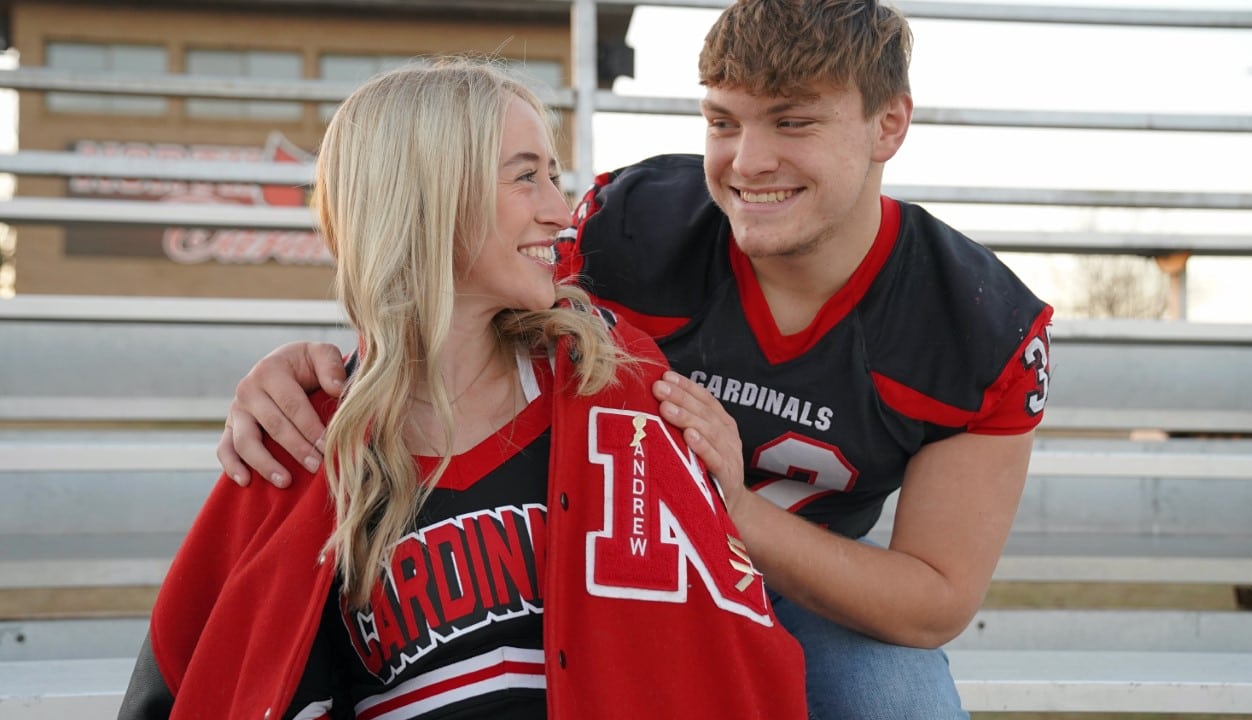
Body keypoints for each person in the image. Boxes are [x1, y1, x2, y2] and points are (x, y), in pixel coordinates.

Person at [219, 1, 1053, 717]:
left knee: (894, 692)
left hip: (803, 589)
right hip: (608, 560)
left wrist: (734, 510)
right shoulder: (631, 222)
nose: (748, 162)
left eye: (793, 121)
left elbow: (935, 599)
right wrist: (324, 365)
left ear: (888, 125)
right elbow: (464, 289)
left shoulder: (979, 324)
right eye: (723, 122)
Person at [119, 60, 807, 720]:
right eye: (526, 178)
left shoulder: (617, 389)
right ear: (430, 195)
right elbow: (188, 673)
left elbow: (734, 658)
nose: (561, 211)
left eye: (554, 177)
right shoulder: (303, 436)